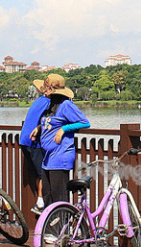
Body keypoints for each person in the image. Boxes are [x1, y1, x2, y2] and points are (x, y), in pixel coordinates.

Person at [34, 75, 90, 206]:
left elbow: (84, 122)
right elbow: (52, 123)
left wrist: (64, 129)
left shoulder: (66, 105)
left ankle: (62, 226)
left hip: (60, 157)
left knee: (59, 197)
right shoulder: (51, 105)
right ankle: (50, 226)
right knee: (48, 195)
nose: (43, 92)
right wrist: (39, 128)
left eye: (46, 89)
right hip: (48, 158)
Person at [19, 77, 50, 214]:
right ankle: (41, 202)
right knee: (44, 172)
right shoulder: (50, 103)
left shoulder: (40, 100)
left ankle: (40, 201)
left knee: (37, 172)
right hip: (34, 141)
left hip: (24, 139)